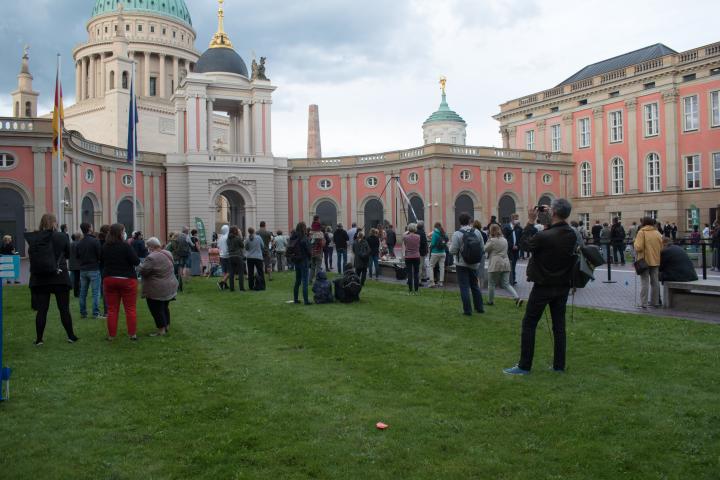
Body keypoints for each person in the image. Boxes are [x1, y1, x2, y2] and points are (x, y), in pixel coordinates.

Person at [504, 199, 577, 375]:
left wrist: (530, 221)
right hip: (563, 285)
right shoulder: (571, 233)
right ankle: (559, 365)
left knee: (529, 323)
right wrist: (546, 222)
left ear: (554, 213)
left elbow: (524, 244)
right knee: (559, 326)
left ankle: (524, 365)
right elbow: (552, 235)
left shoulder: (545, 236)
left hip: (544, 285)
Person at [25, 214, 79, 345]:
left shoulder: (35, 237)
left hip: (41, 277)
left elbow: (31, 255)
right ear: (55, 223)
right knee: (64, 309)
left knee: (42, 310)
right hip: (59, 276)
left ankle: (39, 339)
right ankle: (71, 336)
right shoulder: (62, 236)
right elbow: (67, 254)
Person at [102, 223, 140, 341]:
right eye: (123, 231)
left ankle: (111, 335)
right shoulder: (125, 246)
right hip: (127, 279)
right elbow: (136, 261)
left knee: (112, 309)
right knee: (130, 308)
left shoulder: (105, 246)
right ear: (120, 233)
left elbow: (102, 260)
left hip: (110, 278)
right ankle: (132, 334)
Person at [139, 236, 178, 336]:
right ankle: (166, 325)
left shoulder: (151, 257)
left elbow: (143, 271)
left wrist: (139, 266)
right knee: (165, 307)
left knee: (156, 309)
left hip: (157, 288)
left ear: (151, 247)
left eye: (147, 246)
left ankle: (161, 330)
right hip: (170, 285)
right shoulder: (167, 253)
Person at [450, 214, 485, 316]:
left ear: (459, 221)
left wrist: (450, 248)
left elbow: (453, 250)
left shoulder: (457, 234)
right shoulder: (477, 232)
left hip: (461, 263)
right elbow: (482, 248)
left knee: (464, 287)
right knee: (475, 285)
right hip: (474, 263)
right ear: (470, 221)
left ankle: (467, 310)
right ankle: (479, 307)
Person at [485, 224, 522, 307]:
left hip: (495, 263)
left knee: (491, 283)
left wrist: (488, 239)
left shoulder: (492, 240)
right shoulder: (504, 239)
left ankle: (490, 301)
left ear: (491, 231)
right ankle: (517, 298)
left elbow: (484, 249)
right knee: (506, 284)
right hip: (505, 263)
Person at [634, 216, 664, 309]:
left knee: (644, 282)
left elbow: (638, 247)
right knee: (655, 282)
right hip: (656, 260)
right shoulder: (657, 233)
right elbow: (662, 247)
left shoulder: (641, 232)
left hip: (644, 261)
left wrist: (634, 242)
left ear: (643, 223)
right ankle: (655, 302)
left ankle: (644, 303)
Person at [76, 222, 103, 318]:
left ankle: (83, 313)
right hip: (94, 268)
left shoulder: (79, 243)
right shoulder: (95, 241)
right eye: (91, 226)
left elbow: (77, 256)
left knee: (83, 292)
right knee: (96, 292)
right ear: (89, 228)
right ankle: (95, 313)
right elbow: (100, 255)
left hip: (83, 269)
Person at [287, 222, 311, 304]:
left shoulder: (293, 237)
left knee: (297, 281)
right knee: (305, 281)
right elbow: (308, 250)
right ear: (304, 228)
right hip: (304, 260)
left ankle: (296, 299)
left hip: (296, 260)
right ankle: (306, 301)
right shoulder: (304, 238)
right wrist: (310, 257)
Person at [503, 214, 523, 285]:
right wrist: (511, 246)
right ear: (512, 219)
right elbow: (505, 239)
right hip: (509, 250)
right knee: (509, 265)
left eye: (517, 219)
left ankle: (513, 279)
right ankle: (509, 279)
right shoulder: (506, 228)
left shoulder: (519, 228)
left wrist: (518, 246)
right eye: (516, 219)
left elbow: (521, 239)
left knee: (514, 264)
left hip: (516, 250)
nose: (517, 220)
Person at [427, 222, 447, 288]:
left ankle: (432, 282)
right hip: (443, 252)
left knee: (431, 266)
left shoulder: (435, 233)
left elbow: (432, 244)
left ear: (435, 227)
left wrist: (430, 246)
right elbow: (447, 239)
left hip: (435, 252)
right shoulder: (443, 232)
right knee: (442, 267)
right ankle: (441, 282)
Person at [226, 225, 246, 292]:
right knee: (240, 272)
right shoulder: (237, 238)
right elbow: (242, 246)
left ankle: (232, 288)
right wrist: (240, 236)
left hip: (230, 256)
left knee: (231, 273)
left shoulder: (228, 239)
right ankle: (241, 288)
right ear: (235, 231)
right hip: (238, 256)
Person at [309, 217, 325, 281]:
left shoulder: (310, 233)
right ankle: (317, 279)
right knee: (318, 266)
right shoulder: (320, 233)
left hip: (312, 252)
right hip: (318, 251)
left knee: (312, 266)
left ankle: (310, 279)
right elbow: (322, 244)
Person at [217, 225, 230, 290]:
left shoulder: (220, 237)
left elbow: (218, 246)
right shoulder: (228, 237)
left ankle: (225, 284)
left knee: (224, 271)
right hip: (227, 255)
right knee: (230, 270)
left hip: (221, 255)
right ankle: (222, 282)